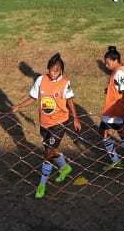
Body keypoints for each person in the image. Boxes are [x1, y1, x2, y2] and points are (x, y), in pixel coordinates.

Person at [11, 52, 82, 199]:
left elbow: (70, 101)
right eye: (51, 70)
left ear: (61, 70)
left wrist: (75, 118)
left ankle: (42, 184)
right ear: (48, 68)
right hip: (45, 123)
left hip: (59, 123)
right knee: (51, 150)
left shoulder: (65, 83)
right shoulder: (40, 80)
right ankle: (65, 167)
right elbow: (33, 97)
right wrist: (18, 106)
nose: (53, 73)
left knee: (48, 154)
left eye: (57, 71)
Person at [99, 45, 124, 168]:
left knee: (118, 132)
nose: (106, 65)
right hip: (111, 109)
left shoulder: (119, 73)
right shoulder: (116, 72)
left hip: (115, 110)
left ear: (115, 60)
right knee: (109, 132)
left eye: (108, 63)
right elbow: (119, 89)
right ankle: (119, 159)